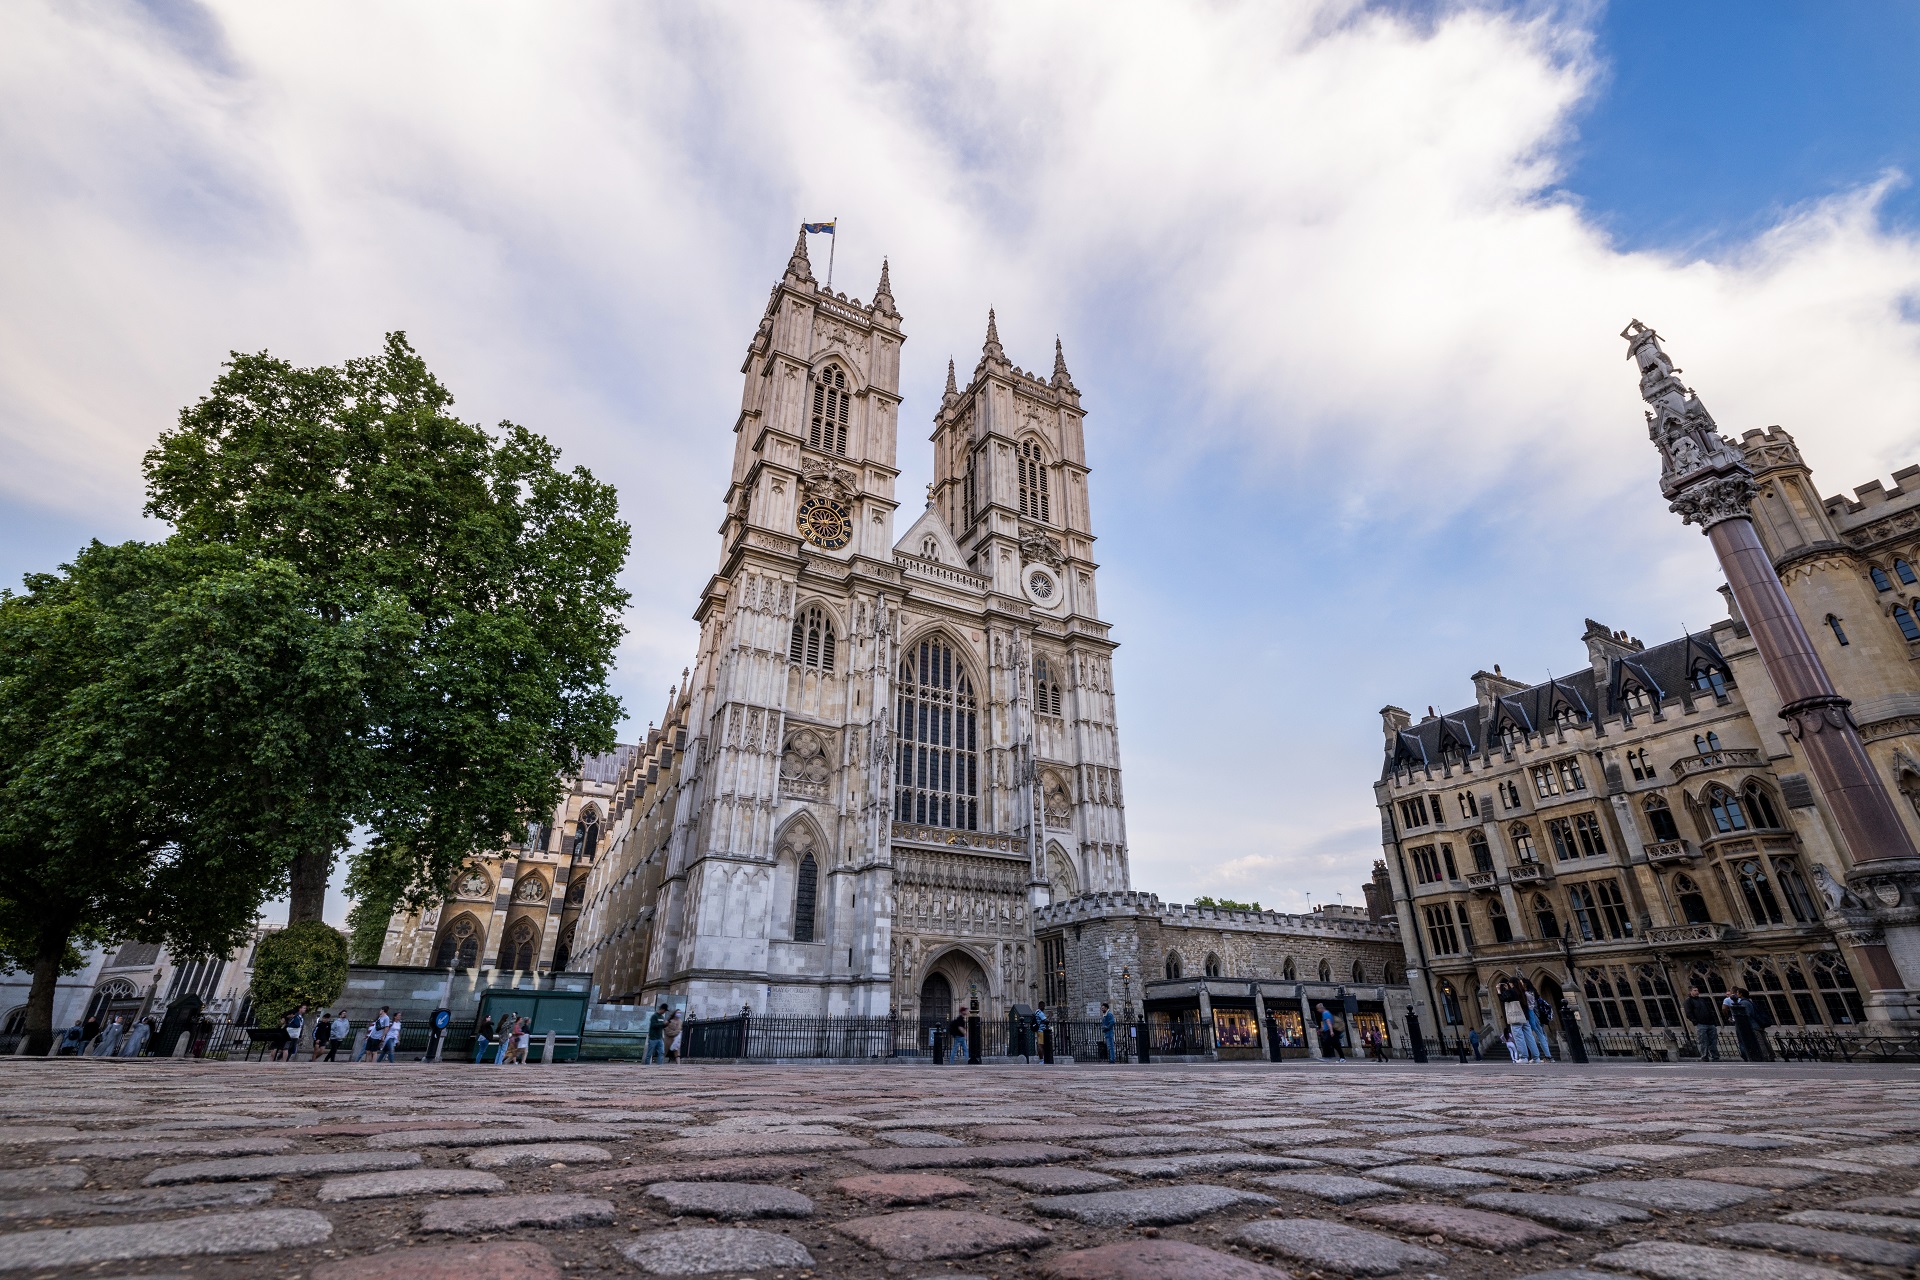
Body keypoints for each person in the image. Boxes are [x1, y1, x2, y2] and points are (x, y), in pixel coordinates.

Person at [1498, 981, 1537, 1063]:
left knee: (1519, 1038)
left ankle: (1524, 1057)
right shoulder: (1523, 992)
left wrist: (1499, 990)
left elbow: (1503, 998)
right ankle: (1536, 1058)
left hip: (1516, 1017)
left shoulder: (1512, 991)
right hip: (1525, 1017)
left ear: (1512, 984)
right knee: (1530, 1037)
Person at [1725, 987, 1767, 1062]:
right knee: (1762, 1041)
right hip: (1754, 1025)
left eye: (1737, 993)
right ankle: (1768, 1056)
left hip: (1752, 1025)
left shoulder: (1744, 1002)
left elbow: (1747, 1014)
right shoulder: (1748, 1001)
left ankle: (1764, 1056)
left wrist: (1736, 1019)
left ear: (1741, 994)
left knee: (1760, 1042)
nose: (1736, 994)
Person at [1684, 985, 1720, 1061]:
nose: (1697, 992)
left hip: (1710, 1023)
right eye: (1695, 990)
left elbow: (1709, 1010)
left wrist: (1714, 1022)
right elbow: (1688, 1013)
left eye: (1697, 990)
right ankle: (1704, 1056)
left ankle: (1715, 1056)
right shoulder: (1688, 1001)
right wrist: (1695, 1022)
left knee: (1713, 1041)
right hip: (1701, 1024)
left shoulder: (1702, 1000)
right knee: (1703, 1041)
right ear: (1690, 992)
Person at [1521, 981, 1554, 1062]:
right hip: (1540, 1017)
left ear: (1525, 984)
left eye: (1521, 983)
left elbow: (1531, 1007)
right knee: (1542, 1035)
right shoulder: (1534, 993)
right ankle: (1547, 1056)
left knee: (1539, 1036)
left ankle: (1548, 1056)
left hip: (1535, 1017)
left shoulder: (1528, 994)